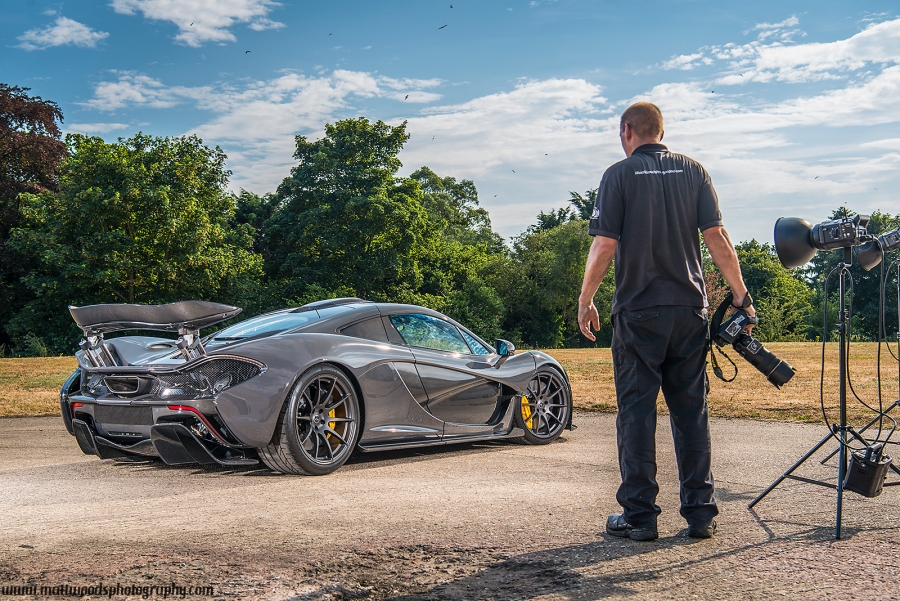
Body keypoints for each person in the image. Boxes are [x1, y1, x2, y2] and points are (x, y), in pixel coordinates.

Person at [577, 102, 755, 541]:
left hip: (639, 312)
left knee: (636, 414)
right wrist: (741, 296)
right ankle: (700, 515)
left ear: (626, 131)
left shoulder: (618, 175)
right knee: (691, 412)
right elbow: (717, 237)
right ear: (662, 130)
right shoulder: (695, 171)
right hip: (689, 311)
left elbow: (603, 246)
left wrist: (585, 299)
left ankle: (640, 518)